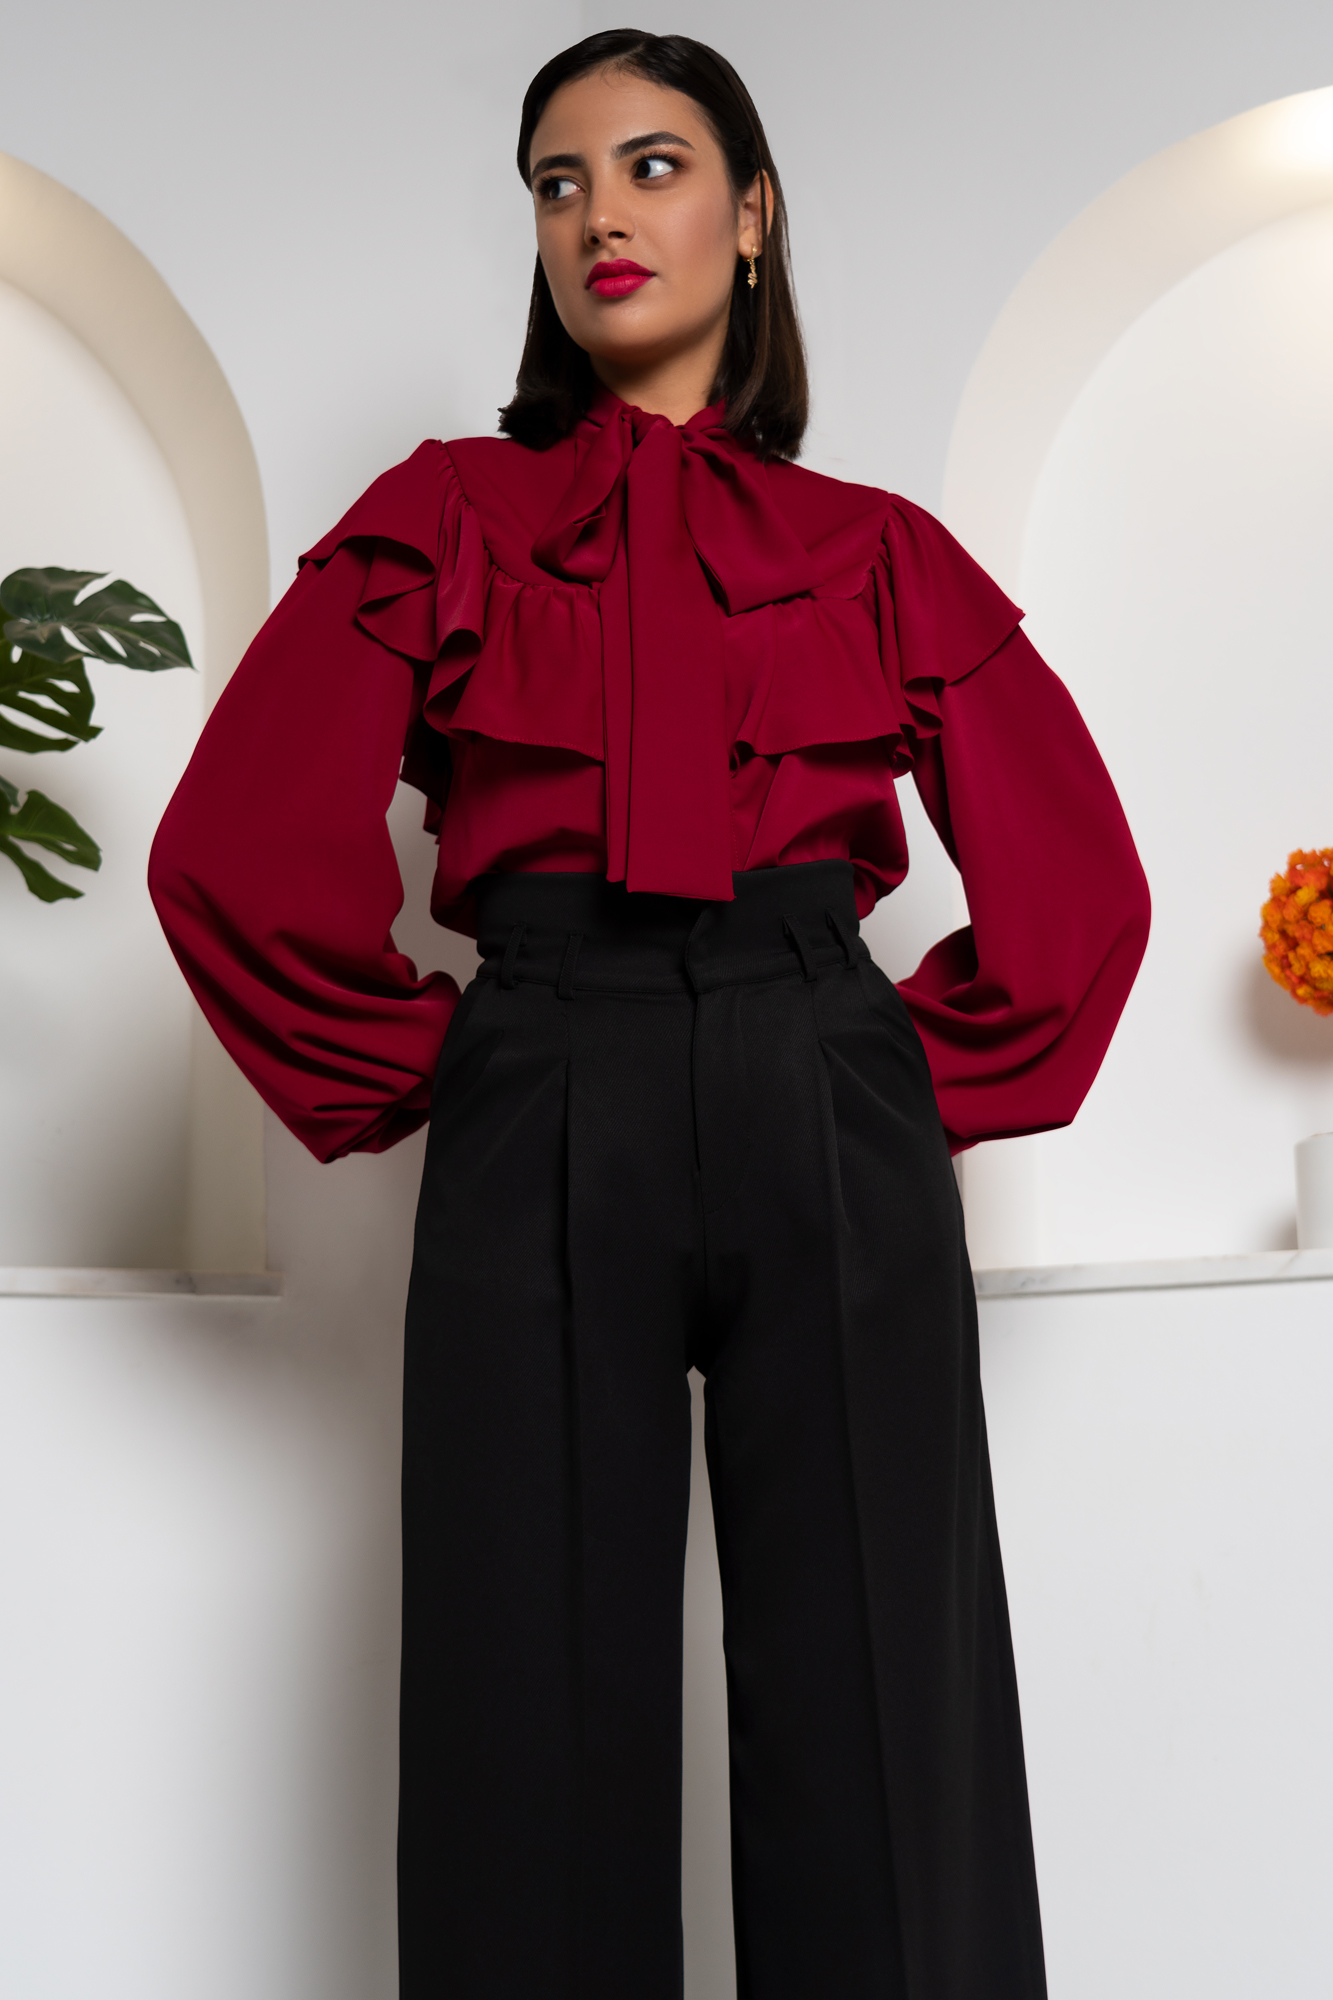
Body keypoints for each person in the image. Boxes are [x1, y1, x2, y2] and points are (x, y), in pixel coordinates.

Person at [149, 29, 1149, 2000]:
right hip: (545, 1067)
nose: (600, 211)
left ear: (752, 212)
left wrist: (873, 1072)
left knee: (885, 1699)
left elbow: (1080, 894)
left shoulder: (871, 547)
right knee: (531, 1704)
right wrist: (467, 1054)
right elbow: (233, 851)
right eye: (555, 178)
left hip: (816, 1067)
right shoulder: (439, 517)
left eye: (653, 161)